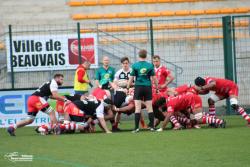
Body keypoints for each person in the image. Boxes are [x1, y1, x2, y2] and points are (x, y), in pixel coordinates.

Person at [127, 49, 159, 132]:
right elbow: (154, 78)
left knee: (137, 108)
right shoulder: (150, 65)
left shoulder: (135, 65)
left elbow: (131, 78)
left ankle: (136, 128)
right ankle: (152, 127)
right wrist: (157, 87)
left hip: (138, 87)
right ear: (146, 56)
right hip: (148, 87)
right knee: (149, 108)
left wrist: (127, 88)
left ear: (139, 55)